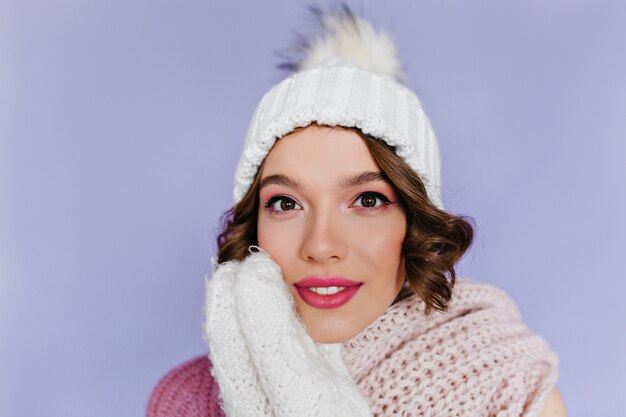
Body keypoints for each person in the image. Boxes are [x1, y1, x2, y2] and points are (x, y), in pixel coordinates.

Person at [146, 7, 566, 417]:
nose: (321, 245)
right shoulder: (184, 401)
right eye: (286, 203)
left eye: (367, 200)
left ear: (416, 222)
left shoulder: (507, 387)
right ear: (254, 226)